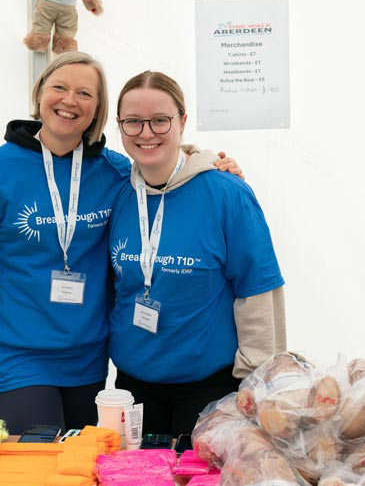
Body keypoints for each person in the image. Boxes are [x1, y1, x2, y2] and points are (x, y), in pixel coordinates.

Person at [0, 53, 240, 434]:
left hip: (88, 359)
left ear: (97, 109)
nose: (70, 100)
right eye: (59, 87)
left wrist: (212, 164)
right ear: (39, 93)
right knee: (39, 457)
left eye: (85, 93)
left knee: (82, 462)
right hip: (16, 356)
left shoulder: (114, 172)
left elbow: (168, 171)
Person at [108, 71, 287, 436]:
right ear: (119, 125)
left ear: (183, 121)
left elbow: (257, 290)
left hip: (207, 390)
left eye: (160, 120)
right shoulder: (118, 193)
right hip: (132, 388)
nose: (146, 132)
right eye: (133, 122)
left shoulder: (226, 194)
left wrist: (257, 385)